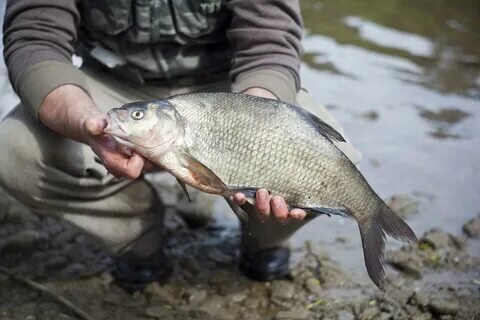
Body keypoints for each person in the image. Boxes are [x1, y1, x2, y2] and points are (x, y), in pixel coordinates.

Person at [0, 0, 361, 291]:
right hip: (118, 86)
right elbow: (35, 37)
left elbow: (269, 43)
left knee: (332, 162)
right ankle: (136, 235)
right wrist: (84, 122)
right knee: (13, 152)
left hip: (230, 90)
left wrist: (255, 124)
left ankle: (264, 237)